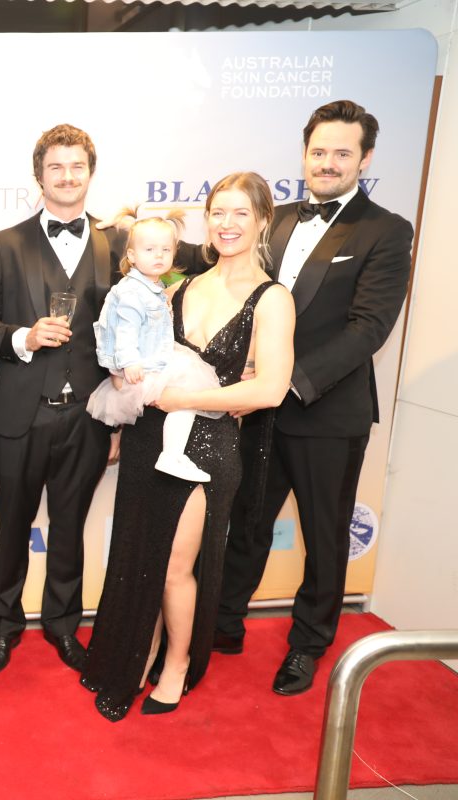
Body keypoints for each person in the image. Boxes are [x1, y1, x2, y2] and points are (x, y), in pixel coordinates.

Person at [214, 100, 414, 695]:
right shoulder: (275, 220)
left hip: (325, 411)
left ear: (365, 159)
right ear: (304, 153)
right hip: (260, 410)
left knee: (325, 536)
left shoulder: (386, 229)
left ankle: (308, 645)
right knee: (244, 521)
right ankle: (224, 623)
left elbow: (369, 328)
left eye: (342, 153)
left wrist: (286, 382)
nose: (327, 163)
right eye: (318, 151)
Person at [81, 171, 295, 721]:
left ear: (263, 220)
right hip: (148, 437)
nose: (226, 224)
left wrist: (179, 399)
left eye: (240, 213)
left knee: (176, 564)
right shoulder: (181, 284)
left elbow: (270, 388)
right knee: (137, 551)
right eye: (217, 213)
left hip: (208, 444)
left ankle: (176, 662)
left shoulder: (273, 300)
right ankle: (137, 651)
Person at [0, 124, 123, 676]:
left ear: (91, 173)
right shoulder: (5, 243)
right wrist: (22, 338)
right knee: (12, 527)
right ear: (38, 176)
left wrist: (119, 420)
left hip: (88, 415)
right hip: (19, 414)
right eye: (56, 167)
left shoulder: (117, 244)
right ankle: (1, 627)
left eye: (77, 167)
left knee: (69, 528)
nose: (67, 177)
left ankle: (63, 626)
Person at [86, 212, 223, 483]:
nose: (159, 256)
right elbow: (124, 329)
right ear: (132, 256)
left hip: (152, 357)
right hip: (140, 364)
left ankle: (173, 453)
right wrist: (129, 362)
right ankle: (172, 454)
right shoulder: (131, 292)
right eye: (149, 250)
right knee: (188, 391)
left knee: (186, 398)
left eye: (166, 250)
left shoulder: (153, 286)